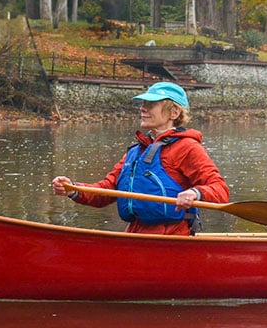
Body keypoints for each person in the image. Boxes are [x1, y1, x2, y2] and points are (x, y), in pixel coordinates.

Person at [52, 81, 230, 235]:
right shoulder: (136, 151)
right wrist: (73, 189)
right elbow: (106, 190)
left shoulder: (188, 148)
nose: (143, 108)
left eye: (151, 104)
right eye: (144, 103)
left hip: (172, 237)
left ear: (173, 112)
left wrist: (195, 193)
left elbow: (220, 190)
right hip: (135, 232)